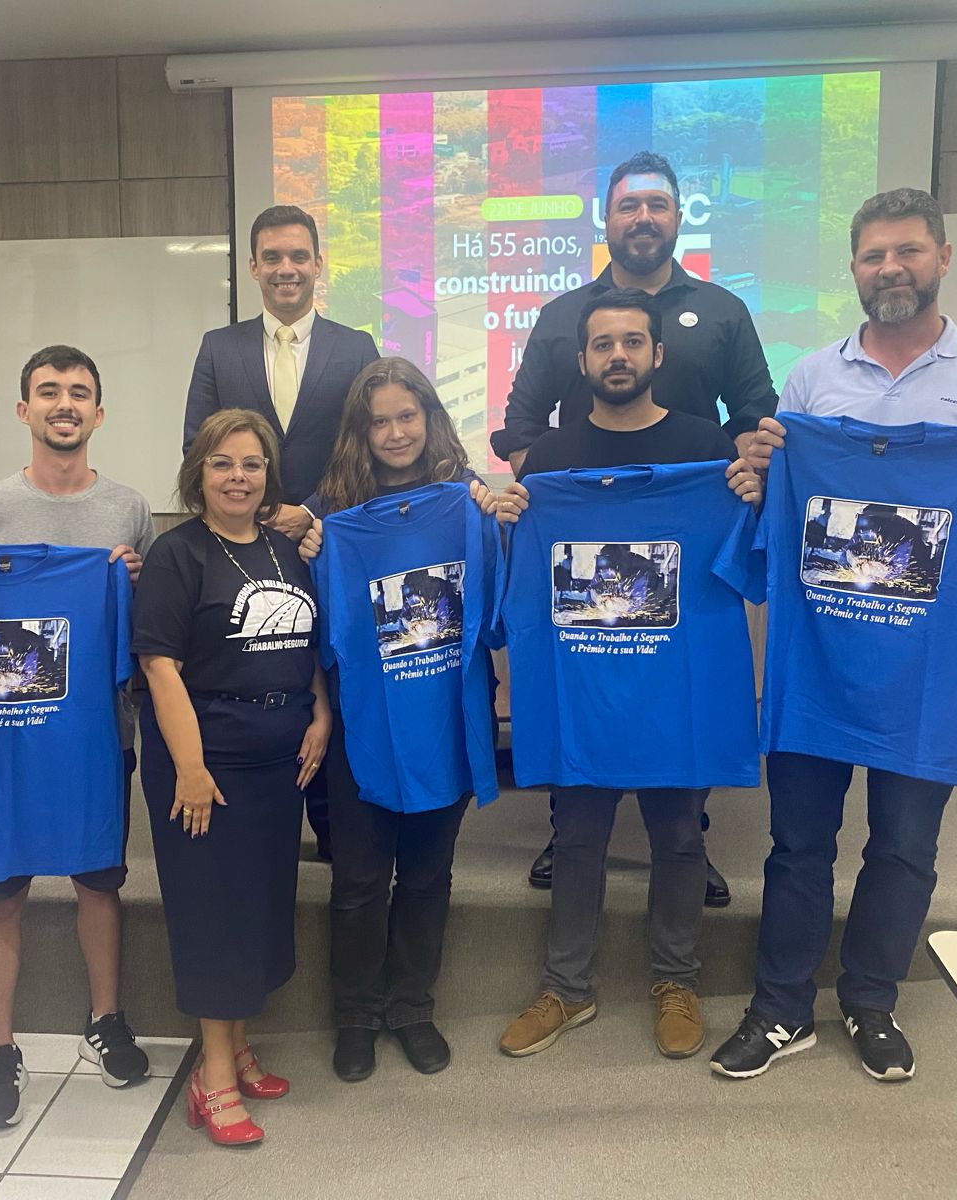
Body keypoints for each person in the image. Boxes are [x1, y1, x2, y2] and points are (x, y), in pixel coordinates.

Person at [710, 187, 957, 1083]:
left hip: (929, 665)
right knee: (798, 843)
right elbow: (777, 500)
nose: (890, 269)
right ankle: (781, 1008)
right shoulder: (811, 380)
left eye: (907, 251)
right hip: (820, 652)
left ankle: (871, 1000)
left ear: (943, 256)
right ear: (855, 270)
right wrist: (757, 479)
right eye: (873, 256)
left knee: (905, 844)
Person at [490, 151, 778, 899]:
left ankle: (688, 836)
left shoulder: (723, 310)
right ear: (607, 220)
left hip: (687, 530)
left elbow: (756, 420)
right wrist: (560, 495)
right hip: (580, 538)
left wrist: (741, 480)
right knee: (582, 666)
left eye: (656, 205)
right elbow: (521, 424)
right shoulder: (562, 316)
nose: (642, 217)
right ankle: (568, 828)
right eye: (628, 206)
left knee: (678, 674)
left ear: (679, 217)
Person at [494, 289, 762, 1062]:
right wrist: (512, 517)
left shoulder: (704, 447)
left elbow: (743, 563)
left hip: (673, 690)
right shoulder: (550, 460)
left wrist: (748, 493)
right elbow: (523, 579)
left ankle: (675, 980)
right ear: (581, 362)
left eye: (632, 343)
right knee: (577, 835)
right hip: (583, 690)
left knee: (679, 835)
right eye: (603, 344)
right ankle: (567, 989)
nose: (618, 355)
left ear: (657, 356)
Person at [0, 345, 156, 1125]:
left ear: (98, 414)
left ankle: (106, 1020)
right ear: (23, 409)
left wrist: (131, 581)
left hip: (96, 728)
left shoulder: (129, 509)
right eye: (48, 392)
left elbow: (147, 624)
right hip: (0, 730)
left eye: (79, 393)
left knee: (99, 880)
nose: (63, 404)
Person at [295, 358, 497, 1082]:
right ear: (361, 430)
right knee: (356, 878)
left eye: (406, 416)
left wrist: (499, 516)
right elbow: (313, 630)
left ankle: (412, 1006)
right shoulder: (333, 517)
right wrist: (310, 548)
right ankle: (355, 1013)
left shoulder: (467, 505)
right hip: (363, 726)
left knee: (427, 873)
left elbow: (496, 619)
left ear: (429, 418)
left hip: (443, 718)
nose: (394, 432)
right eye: (378, 420)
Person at [135, 408, 333, 1146]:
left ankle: (240, 1045)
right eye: (223, 464)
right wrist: (189, 767)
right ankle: (212, 1076)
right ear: (199, 475)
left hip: (278, 763)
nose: (238, 478)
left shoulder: (287, 552)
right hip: (206, 765)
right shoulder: (177, 554)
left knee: (255, 910)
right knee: (214, 917)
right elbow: (160, 666)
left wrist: (321, 713)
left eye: (251, 465)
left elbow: (309, 640)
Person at [183, 206, 378, 859]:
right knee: (267, 668)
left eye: (299, 256)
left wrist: (313, 511)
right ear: (254, 267)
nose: (286, 268)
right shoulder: (220, 347)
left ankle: (332, 827)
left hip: (332, 547)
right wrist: (265, 513)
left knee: (331, 673)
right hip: (243, 547)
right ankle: (265, 820)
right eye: (273, 257)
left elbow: (367, 450)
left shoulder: (357, 348)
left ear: (319, 264)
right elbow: (198, 448)